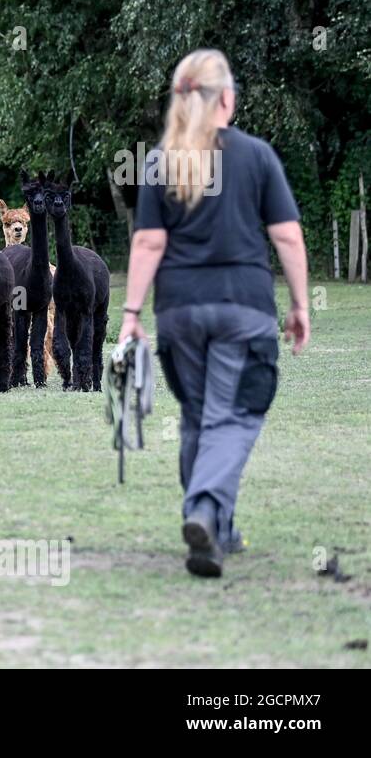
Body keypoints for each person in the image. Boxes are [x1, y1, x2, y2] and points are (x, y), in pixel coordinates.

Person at [119, 48, 310, 578]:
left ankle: (216, 530)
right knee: (236, 416)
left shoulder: (161, 161)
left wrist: (132, 311)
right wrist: (298, 304)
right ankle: (204, 508)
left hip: (179, 314)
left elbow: (148, 244)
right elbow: (288, 237)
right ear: (226, 98)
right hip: (242, 310)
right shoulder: (256, 155)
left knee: (200, 419)